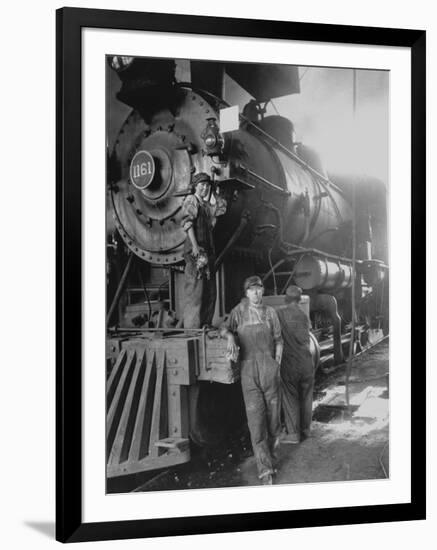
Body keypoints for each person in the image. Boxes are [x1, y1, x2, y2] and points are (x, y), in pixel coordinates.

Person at [221, 276, 283, 485]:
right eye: (252, 290)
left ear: (263, 291)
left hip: (269, 371)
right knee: (256, 424)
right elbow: (224, 328)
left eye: (259, 289)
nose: (256, 293)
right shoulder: (239, 311)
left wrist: (277, 365)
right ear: (246, 293)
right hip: (249, 373)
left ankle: (271, 457)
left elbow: (279, 340)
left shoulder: (270, 313)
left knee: (273, 422)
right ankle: (265, 470)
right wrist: (230, 337)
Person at [181, 172, 226, 329]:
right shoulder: (191, 200)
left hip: (208, 252)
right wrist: (194, 245)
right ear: (195, 186)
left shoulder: (206, 206)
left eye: (207, 185)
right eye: (202, 185)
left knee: (210, 290)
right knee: (196, 290)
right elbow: (187, 223)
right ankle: (193, 328)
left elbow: (221, 209)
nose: (204, 188)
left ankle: (205, 325)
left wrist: (214, 192)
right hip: (196, 252)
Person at [277, 285, 314, 443]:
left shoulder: (280, 313)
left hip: (290, 362)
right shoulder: (304, 315)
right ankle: (306, 430)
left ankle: (293, 435)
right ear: (299, 299)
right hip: (307, 362)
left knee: (290, 397)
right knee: (306, 397)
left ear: (286, 298)